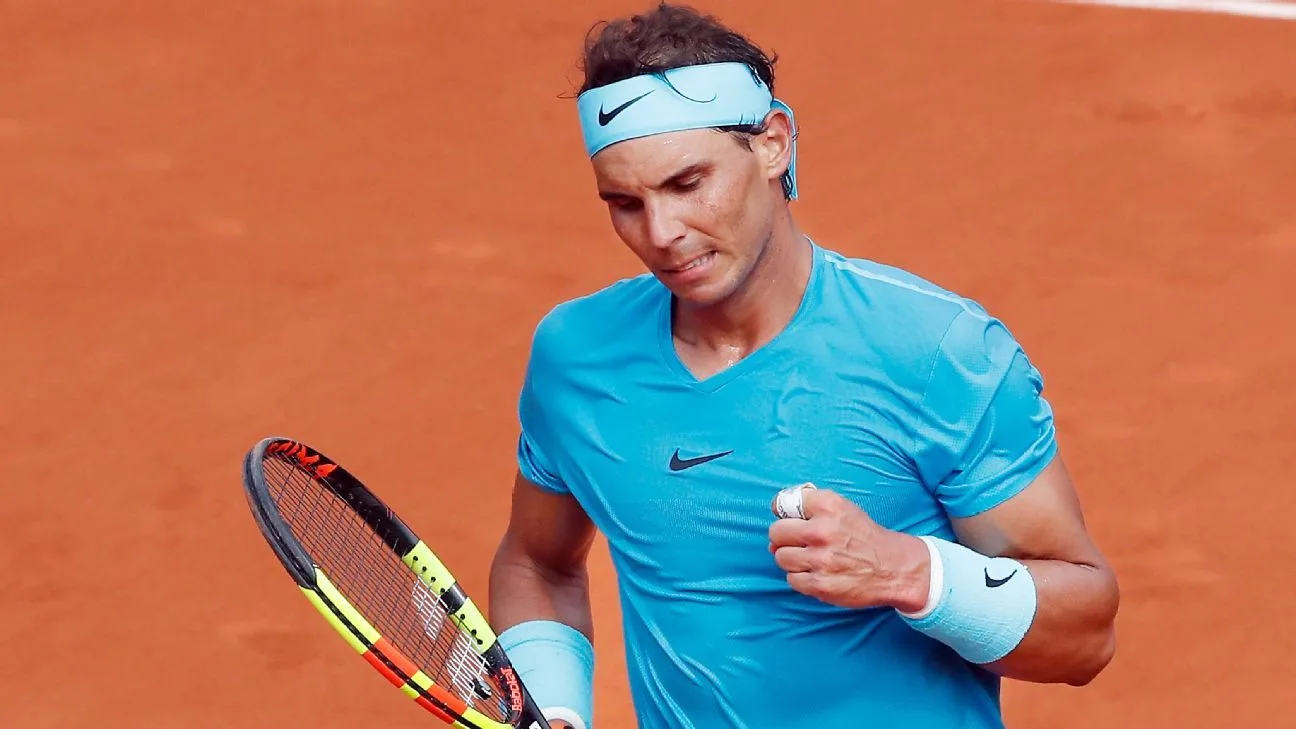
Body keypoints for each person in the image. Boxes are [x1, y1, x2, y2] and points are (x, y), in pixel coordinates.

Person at [486, 4, 1120, 728]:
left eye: (687, 184)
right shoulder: (577, 357)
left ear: (773, 144)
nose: (661, 233)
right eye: (625, 203)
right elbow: (538, 562)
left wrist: (912, 573)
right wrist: (555, 706)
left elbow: (1085, 636)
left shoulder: (937, 352)